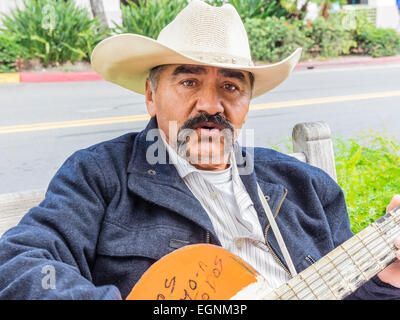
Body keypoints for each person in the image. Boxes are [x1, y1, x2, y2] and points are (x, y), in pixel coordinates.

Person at [0, 0, 399, 300]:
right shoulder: (99, 175)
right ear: (151, 96)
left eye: (231, 86)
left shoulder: (308, 186)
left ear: (247, 101)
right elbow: (21, 263)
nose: (211, 104)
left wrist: (387, 278)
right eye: (189, 82)